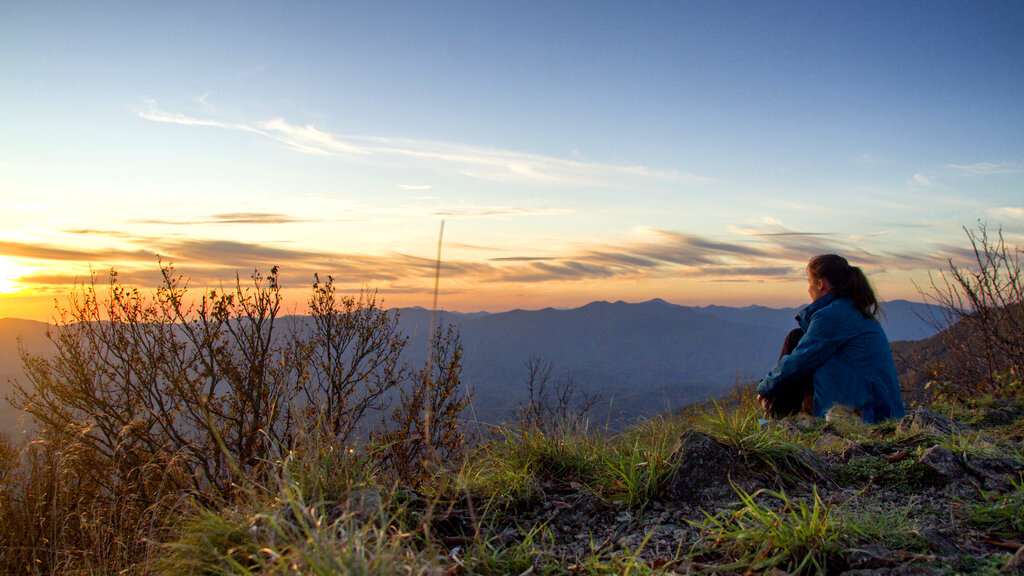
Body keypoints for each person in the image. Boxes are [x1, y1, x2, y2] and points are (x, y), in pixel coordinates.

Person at [756, 254, 906, 424]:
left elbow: (798, 362)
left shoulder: (831, 316)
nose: (808, 289)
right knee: (797, 338)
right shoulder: (850, 308)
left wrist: (764, 387)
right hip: (881, 408)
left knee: (800, 353)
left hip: (870, 415)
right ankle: (779, 413)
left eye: (809, 282)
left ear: (820, 284)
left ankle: (775, 413)